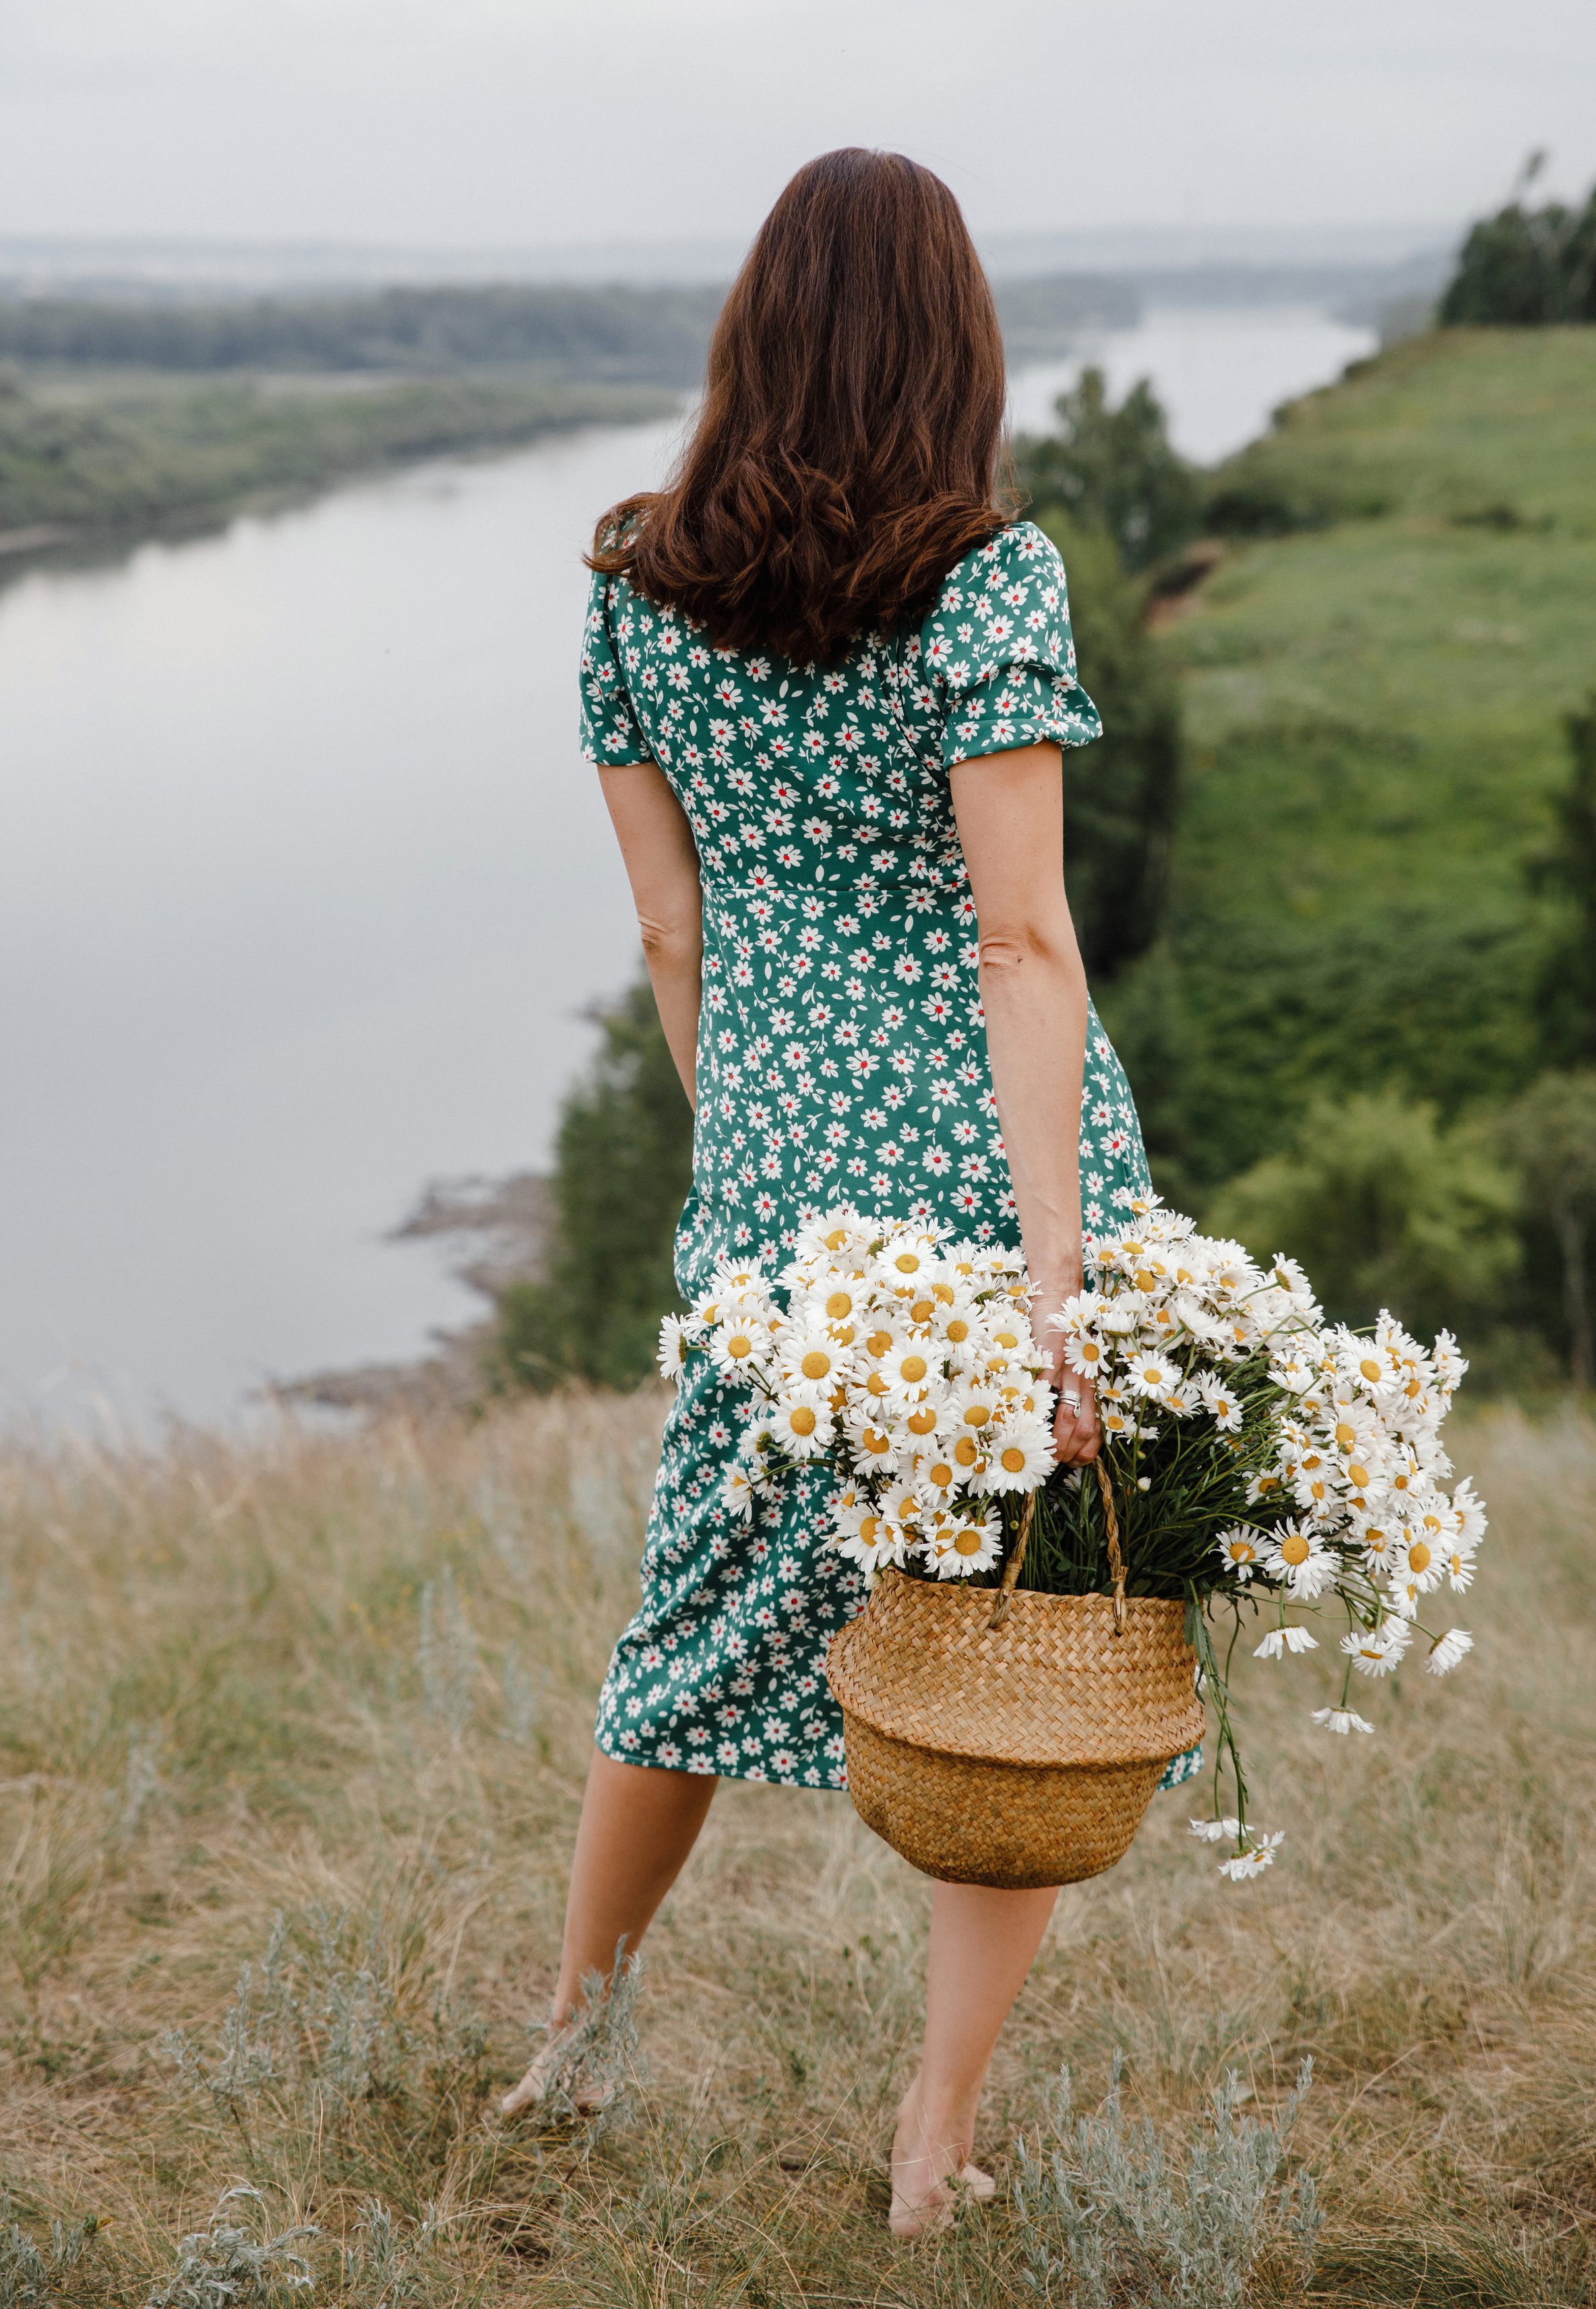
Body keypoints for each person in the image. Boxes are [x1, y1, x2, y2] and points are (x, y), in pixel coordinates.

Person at [497, 148, 1192, 2236]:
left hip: (772, 1187)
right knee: (1026, 1631)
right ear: (955, 342)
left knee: (694, 1611)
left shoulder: (633, 576)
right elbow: (1023, 943)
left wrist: (748, 1168)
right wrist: (1060, 1277)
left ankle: (570, 2041)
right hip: (1002, 1169)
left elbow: (669, 938)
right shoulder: (987, 575)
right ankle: (932, 2138)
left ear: (753, 329)